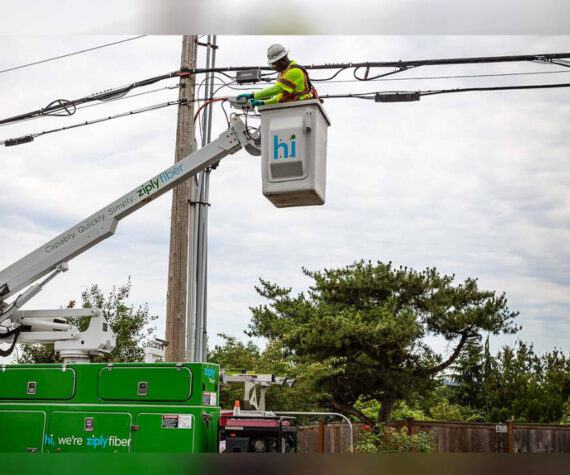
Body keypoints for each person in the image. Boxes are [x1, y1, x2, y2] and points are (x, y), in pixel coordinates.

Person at [237, 44, 318, 107]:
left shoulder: (295, 71)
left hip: (302, 108)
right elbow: (280, 97)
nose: (273, 68)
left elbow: (276, 89)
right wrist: (263, 103)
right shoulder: (282, 73)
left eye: (274, 65)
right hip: (293, 110)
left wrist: (253, 95)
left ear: (282, 60)